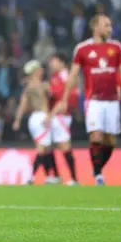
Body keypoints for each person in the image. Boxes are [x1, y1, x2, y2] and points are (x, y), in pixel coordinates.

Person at [52, 15, 121, 185]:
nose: (110, 28)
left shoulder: (116, 47)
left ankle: (97, 166)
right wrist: (65, 99)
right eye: (106, 25)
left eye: (110, 25)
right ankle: (98, 175)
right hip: (93, 99)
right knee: (96, 136)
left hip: (112, 99)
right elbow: (73, 75)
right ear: (95, 27)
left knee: (110, 140)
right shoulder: (82, 49)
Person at [13, 60, 56, 185]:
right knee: (42, 149)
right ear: (36, 71)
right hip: (42, 117)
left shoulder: (28, 87)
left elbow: (22, 105)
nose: (42, 71)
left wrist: (17, 120)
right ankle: (31, 176)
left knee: (46, 148)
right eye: (40, 69)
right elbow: (50, 98)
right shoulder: (42, 85)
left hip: (34, 118)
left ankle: (49, 176)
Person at [44, 53, 79, 186]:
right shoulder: (54, 77)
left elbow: (63, 100)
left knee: (64, 145)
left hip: (61, 116)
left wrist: (50, 115)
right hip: (55, 115)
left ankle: (74, 179)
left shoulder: (65, 77)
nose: (51, 64)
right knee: (49, 146)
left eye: (54, 61)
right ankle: (56, 176)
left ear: (62, 63)